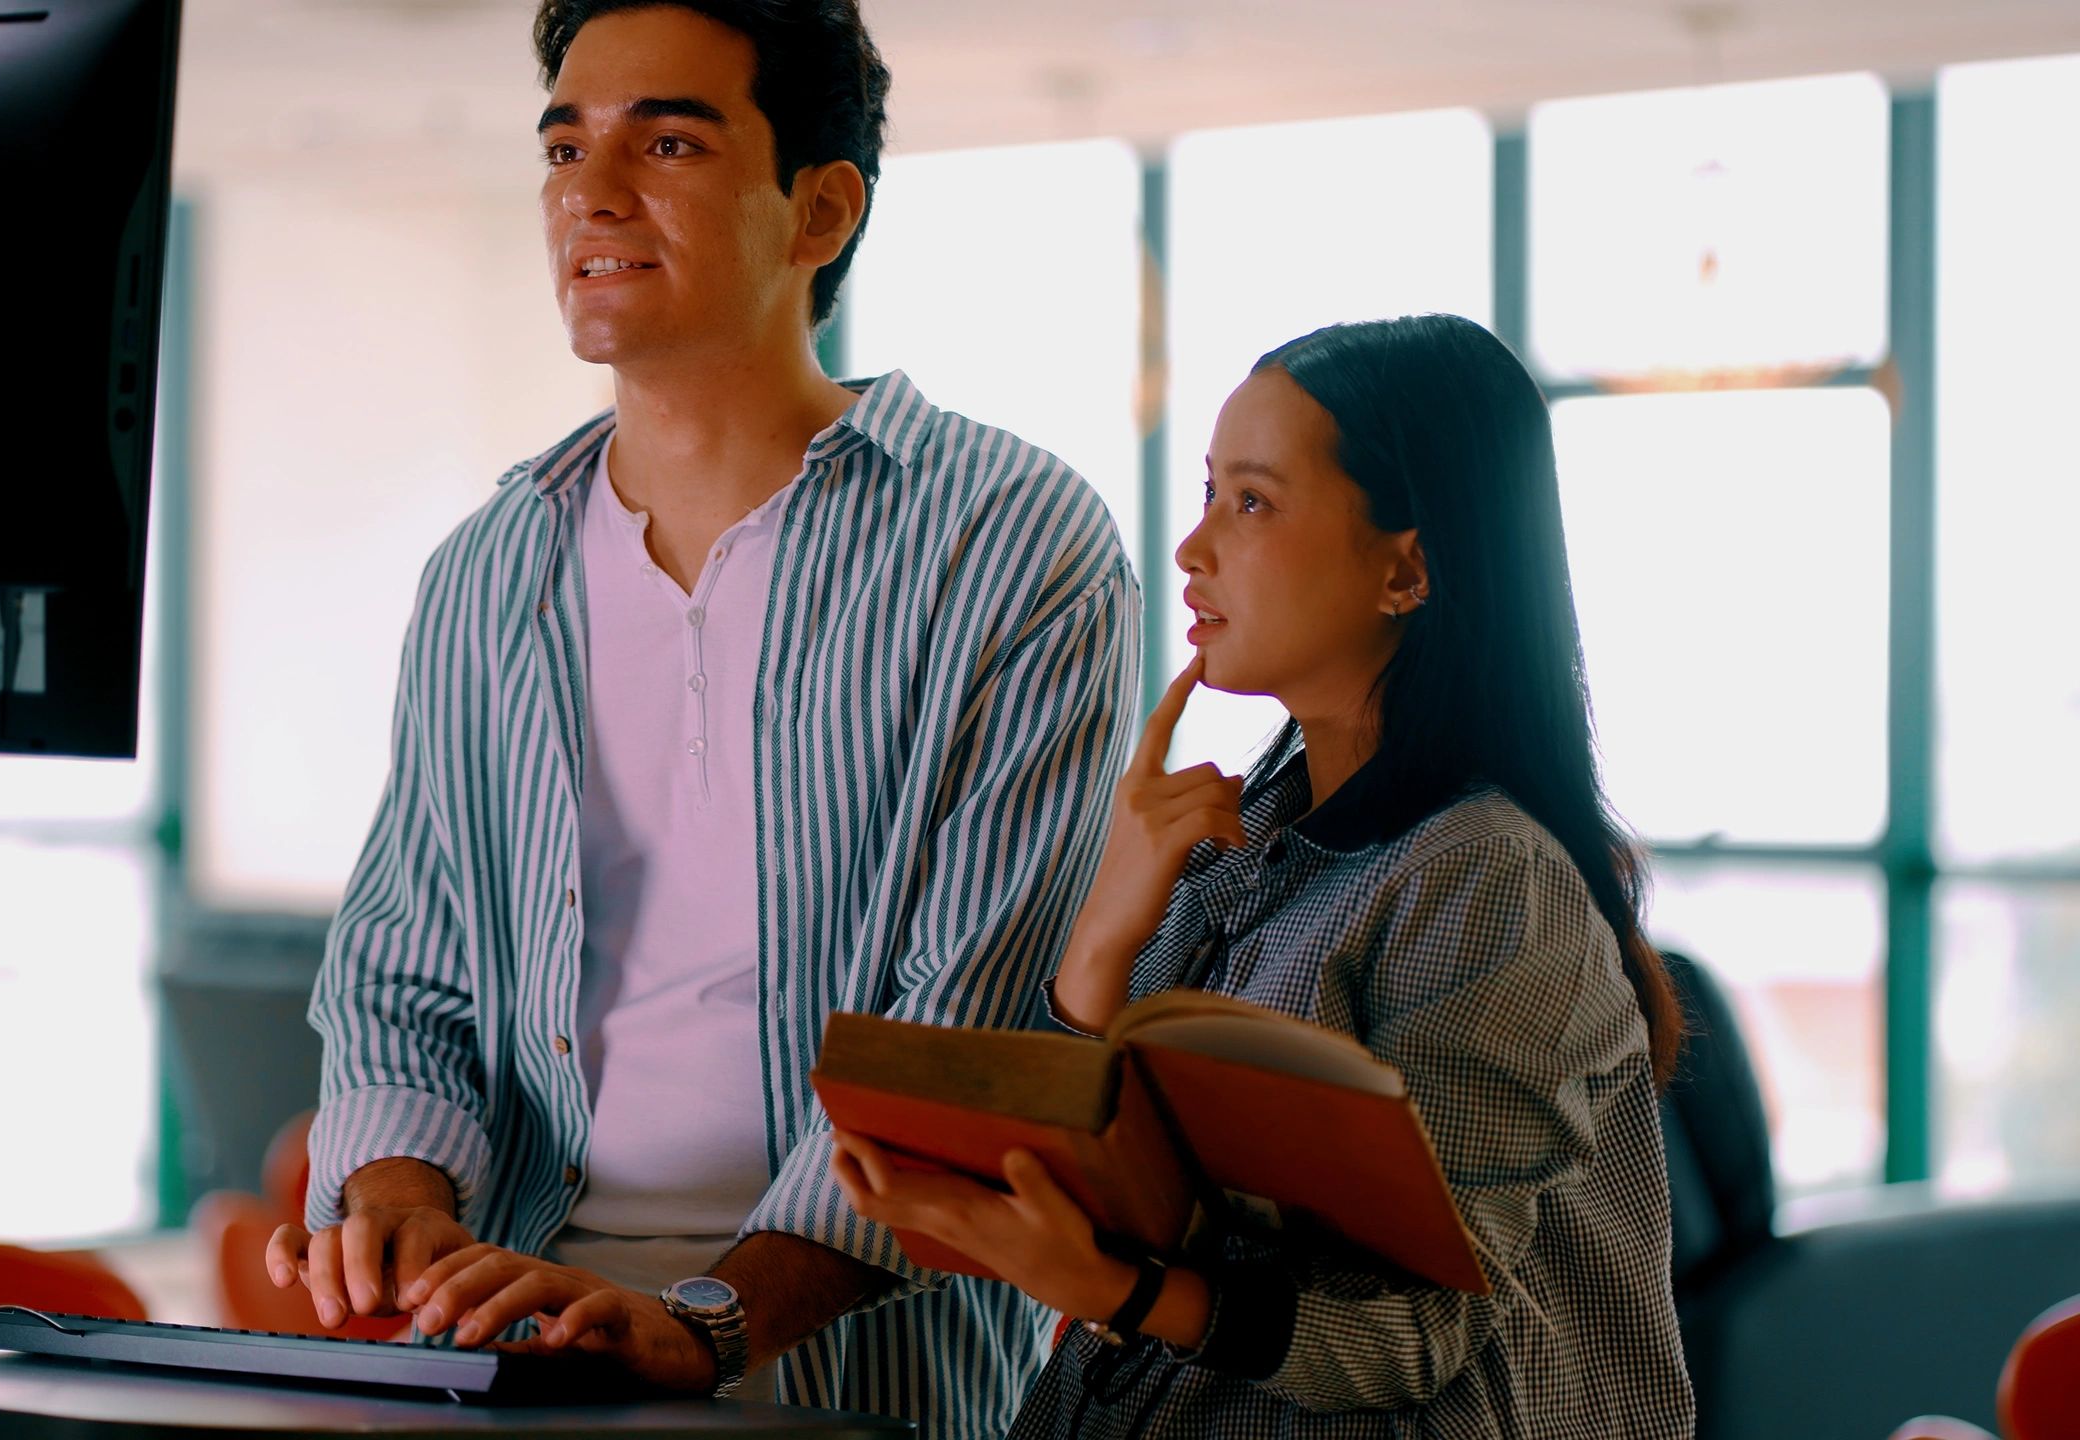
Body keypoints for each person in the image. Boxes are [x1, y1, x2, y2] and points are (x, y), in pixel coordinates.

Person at [265, 2, 1139, 1434]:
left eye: (666, 140)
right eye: (565, 146)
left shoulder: (1011, 539)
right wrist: (403, 1202)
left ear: (819, 207)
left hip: (859, 1361)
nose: (590, 194)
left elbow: (962, 1033)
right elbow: (399, 979)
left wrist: (706, 1325)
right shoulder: (490, 569)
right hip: (512, 1330)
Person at [830, 313, 1698, 1437]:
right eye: (1205, 494)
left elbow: (1420, 1330)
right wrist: (1103, 931)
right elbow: (1099, 1172)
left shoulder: (1483, 878)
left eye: (1251, 502)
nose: (1192, 550)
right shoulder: (1244, 836)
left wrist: (1117, 1291)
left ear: (1408, 566)